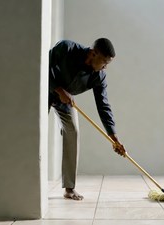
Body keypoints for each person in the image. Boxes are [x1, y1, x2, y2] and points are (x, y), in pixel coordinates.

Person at [49, 38, 126, 200]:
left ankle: (69, 188)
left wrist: (113, 137)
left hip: (66, 102)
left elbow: (103, 106)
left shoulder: (99, 77)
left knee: (73, 132)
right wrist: (58, 89)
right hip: (46, 91)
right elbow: (43, 67)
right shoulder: (67, 48)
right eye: (104, 62)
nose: (105, 67)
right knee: (36, 130)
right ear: (93, 53)